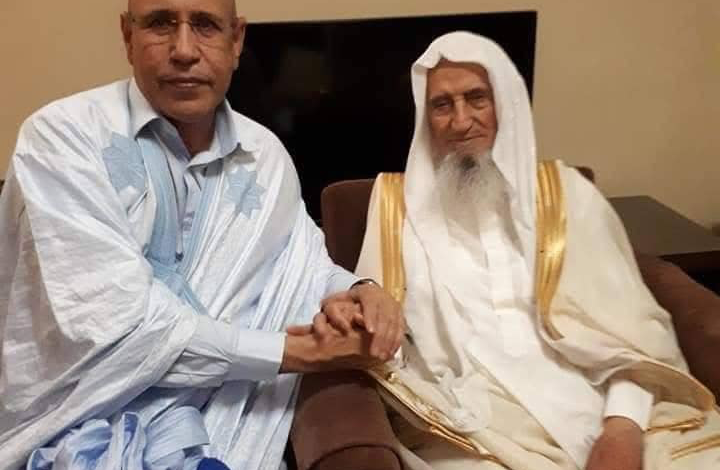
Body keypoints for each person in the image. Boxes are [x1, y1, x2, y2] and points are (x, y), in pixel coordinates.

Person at [0, 1, 404, 469]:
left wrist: (360, 290)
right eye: (160, 23)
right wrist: (299, 352)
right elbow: (116, 326)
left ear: (237, 40)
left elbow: (300, 266)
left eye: (206, 25)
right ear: (127, 36)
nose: (184, 50)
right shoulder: (63, 139)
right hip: (76, 429)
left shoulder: (263, 156)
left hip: (222, 431)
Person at [347, 32, 720, 469]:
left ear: (506, 104)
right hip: (470, 420)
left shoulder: (569, 196)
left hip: (593, 395)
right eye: (442, 105)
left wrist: (622, 428)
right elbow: (373, 319)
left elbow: (633, 333)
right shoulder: (396, 207)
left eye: (477, 98)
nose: (461, 121)